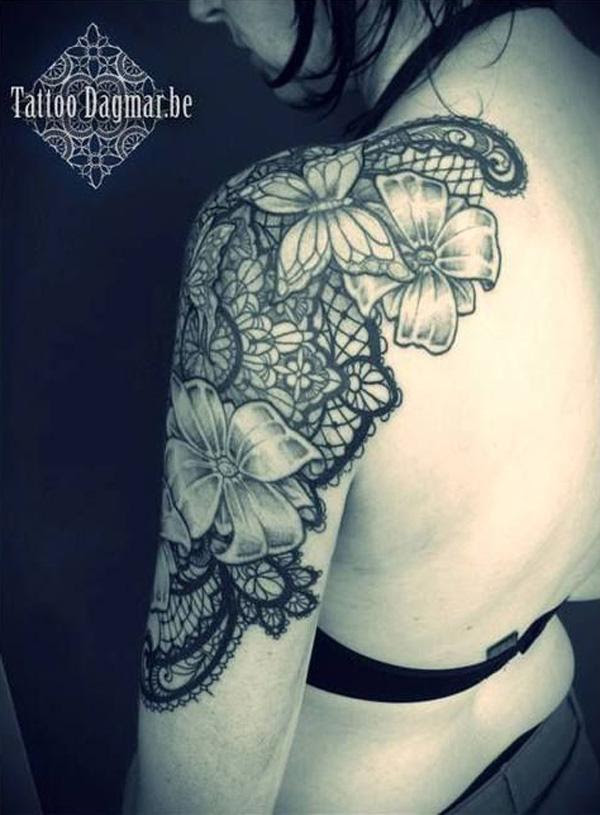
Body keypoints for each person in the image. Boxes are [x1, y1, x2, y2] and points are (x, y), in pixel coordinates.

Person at [123, 1, 600, 812]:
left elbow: (197, 799)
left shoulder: (281, 253)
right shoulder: (583, 96)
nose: (200, 5)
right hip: (565, 757)